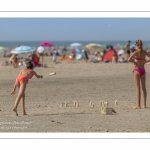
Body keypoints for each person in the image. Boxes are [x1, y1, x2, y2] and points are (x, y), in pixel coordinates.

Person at [128, 39, 150, 109]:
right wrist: (145, 61)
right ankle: (144, 104)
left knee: (138, 88)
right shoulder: (144, 52)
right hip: (143, 70)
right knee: (144, 88)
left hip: (137, 70)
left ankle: (138, 105)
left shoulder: (135, 52)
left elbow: (129, 59)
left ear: (137, 45)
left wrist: (134, 62)